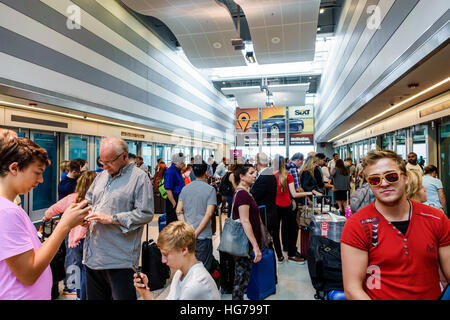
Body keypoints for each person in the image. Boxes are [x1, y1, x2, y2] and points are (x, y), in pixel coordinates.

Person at [341, 149, 450, 300]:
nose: (384, 183)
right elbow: (353, 289)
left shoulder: (436, 218)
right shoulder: (357, 225)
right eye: (375, 180)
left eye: (391, 176)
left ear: (405, 178)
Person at [0, 135, 90, 300]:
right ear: (14, 168)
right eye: (37, 172)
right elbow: (28, 274)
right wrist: (64, 225)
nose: (41, 180)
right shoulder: (7, 212)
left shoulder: (9, 208)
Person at [83, 137, 154, 300]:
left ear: (124, 156)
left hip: (119, 261)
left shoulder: (139, 178)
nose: (105, 166)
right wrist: (83, 215)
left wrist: (112, 218)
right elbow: (88, 201)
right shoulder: (101, 177)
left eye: (109, 162)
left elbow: (146, 213)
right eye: (102, 162)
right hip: (92, 258)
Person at [43, 171, 97, 300]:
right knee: (87, 269)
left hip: (74, 240)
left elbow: (51, 210)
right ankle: (84, 295)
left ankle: (77, 293)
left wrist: (47, 217)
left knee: (76, 267)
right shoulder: (99, 200)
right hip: (94, 239)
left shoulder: (72, 198)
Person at [134, 221, 220, 300]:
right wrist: (145, 292)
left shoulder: (195, 285)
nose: (163, 260)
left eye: (166, 254)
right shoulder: (180, 273)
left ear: (184, 250)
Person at [176, 158, 217, 270]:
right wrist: (196, 233)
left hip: (187, 236)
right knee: (203, 270)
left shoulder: (185, 189)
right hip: (203, 236)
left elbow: (178, 210)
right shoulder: (210, 190)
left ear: (193, 172)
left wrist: (186, 228)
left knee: (189, 268)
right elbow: (208, 215)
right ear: (206, 172)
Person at [230, 164, 263, 300]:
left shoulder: (244, 192)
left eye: (255, 172)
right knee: (241, 278)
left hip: (245, 240)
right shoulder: (243, 194)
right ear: (242, 176)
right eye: (251, 173)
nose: (254, 175)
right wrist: (255, 245)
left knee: (243, 277)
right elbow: (245, 221)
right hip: (245, 241)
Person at [274, 155, 313, 263]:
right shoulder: (288, 176)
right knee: (293, 229)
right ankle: (291, 253)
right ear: (284, 163)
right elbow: (294, 194)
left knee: (278, 230)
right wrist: (310, 193)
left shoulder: (272, 176)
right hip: (287, 206)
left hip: (275, 207)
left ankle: (281, 254)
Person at [250, 153, 279, 260]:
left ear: (257, 163)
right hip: (270, 213)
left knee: (265, 244)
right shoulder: (270, 174)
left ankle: (267, 273)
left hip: (265, 216)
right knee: (268, 244)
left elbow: (253, 196)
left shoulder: (264, 177)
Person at [164, 152, 186, 225]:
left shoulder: (178, 171)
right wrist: (174, 203)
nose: (184, 164)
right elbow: (168, 189)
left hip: (179, 199)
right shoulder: (170, 172)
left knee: (178, 223)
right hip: (173, 199)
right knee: (172, 223)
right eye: (182, 162)